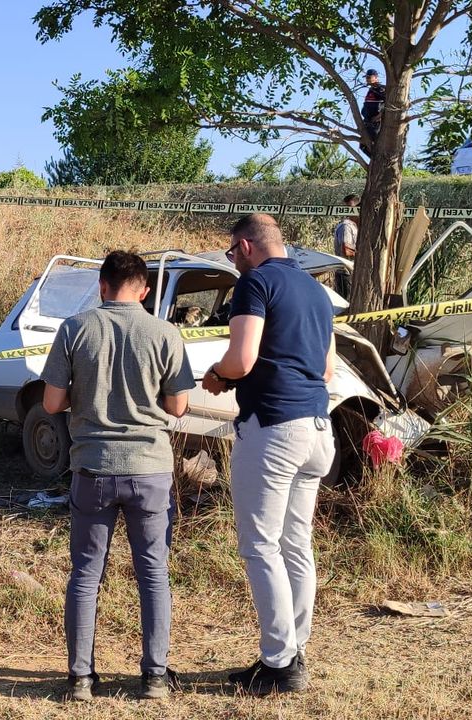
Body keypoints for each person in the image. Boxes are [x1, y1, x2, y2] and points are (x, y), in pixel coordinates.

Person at [40, 250, 196, 702]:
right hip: (150, 469)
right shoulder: (165, 333)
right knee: (154, 573)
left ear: (101, 286)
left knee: (86, 574)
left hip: (93, 467)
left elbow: (51, 403)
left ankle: (81, 679)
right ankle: (154, 677)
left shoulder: (74, 329)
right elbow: (178, 406)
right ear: (145, 291)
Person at [202, 214, 336, 696]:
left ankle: (279, 663)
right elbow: (327, 370)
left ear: (245, 246)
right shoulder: (317, 291)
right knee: (295, 543)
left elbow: (242, 359)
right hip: (318, 427)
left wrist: (218, 376)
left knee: (260, 545)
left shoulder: (255, 283)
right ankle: (294, 649)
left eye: (231, 253)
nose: (233, 261)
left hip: (274, 427)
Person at [332, 194, 359, 297]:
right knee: (346, 302)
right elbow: (346, 250)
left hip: (351, 273)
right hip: (345, 273)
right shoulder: (346, 226)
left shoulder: (354, 226)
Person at [361, 69, 385, 157]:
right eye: (366, 77)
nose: (367, 79)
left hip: (376, 123)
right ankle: (375, 161)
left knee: (375, 144)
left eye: (369, 77)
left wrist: (379, 116)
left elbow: (388, 104)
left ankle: (380, 160)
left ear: (375, 77)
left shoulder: (380, 89)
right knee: (363, 146)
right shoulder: (371, 89)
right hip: (368, 121)